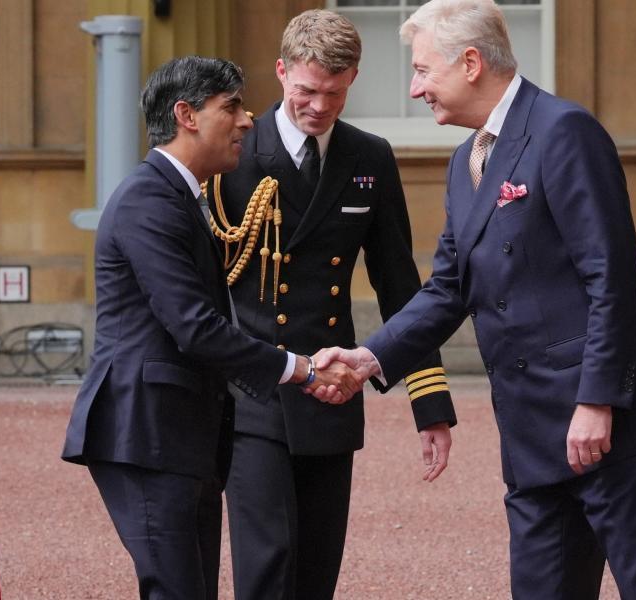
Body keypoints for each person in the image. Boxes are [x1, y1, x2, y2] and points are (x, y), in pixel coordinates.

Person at [316, 1, 636, 598]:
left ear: (470, 62)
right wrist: (371, 357)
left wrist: (597, 400)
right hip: (532, 433)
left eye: (424, 71)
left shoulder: (564, 131)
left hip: (611, 424)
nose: (414, 89)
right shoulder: (467, 161)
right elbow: (448, 288)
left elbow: (610, 277)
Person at [60, 56, 357, 600]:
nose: (246, 120)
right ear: (186, 115)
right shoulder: (149, 199)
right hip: (145, 432)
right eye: (232, 107)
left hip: (178, 434)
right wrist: (303, 369)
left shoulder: (180, 195)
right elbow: (195, 327)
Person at [205, 10, 456, 599]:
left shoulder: (369, 157)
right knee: (267, 570)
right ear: (281, 71)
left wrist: (431, 403)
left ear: (354, 81)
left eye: (335, 94)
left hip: (333, 391)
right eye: (307, 91)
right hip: (255, 392)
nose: (319, 107)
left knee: (317, 573)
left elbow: (401, 287)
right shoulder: (233, 154)